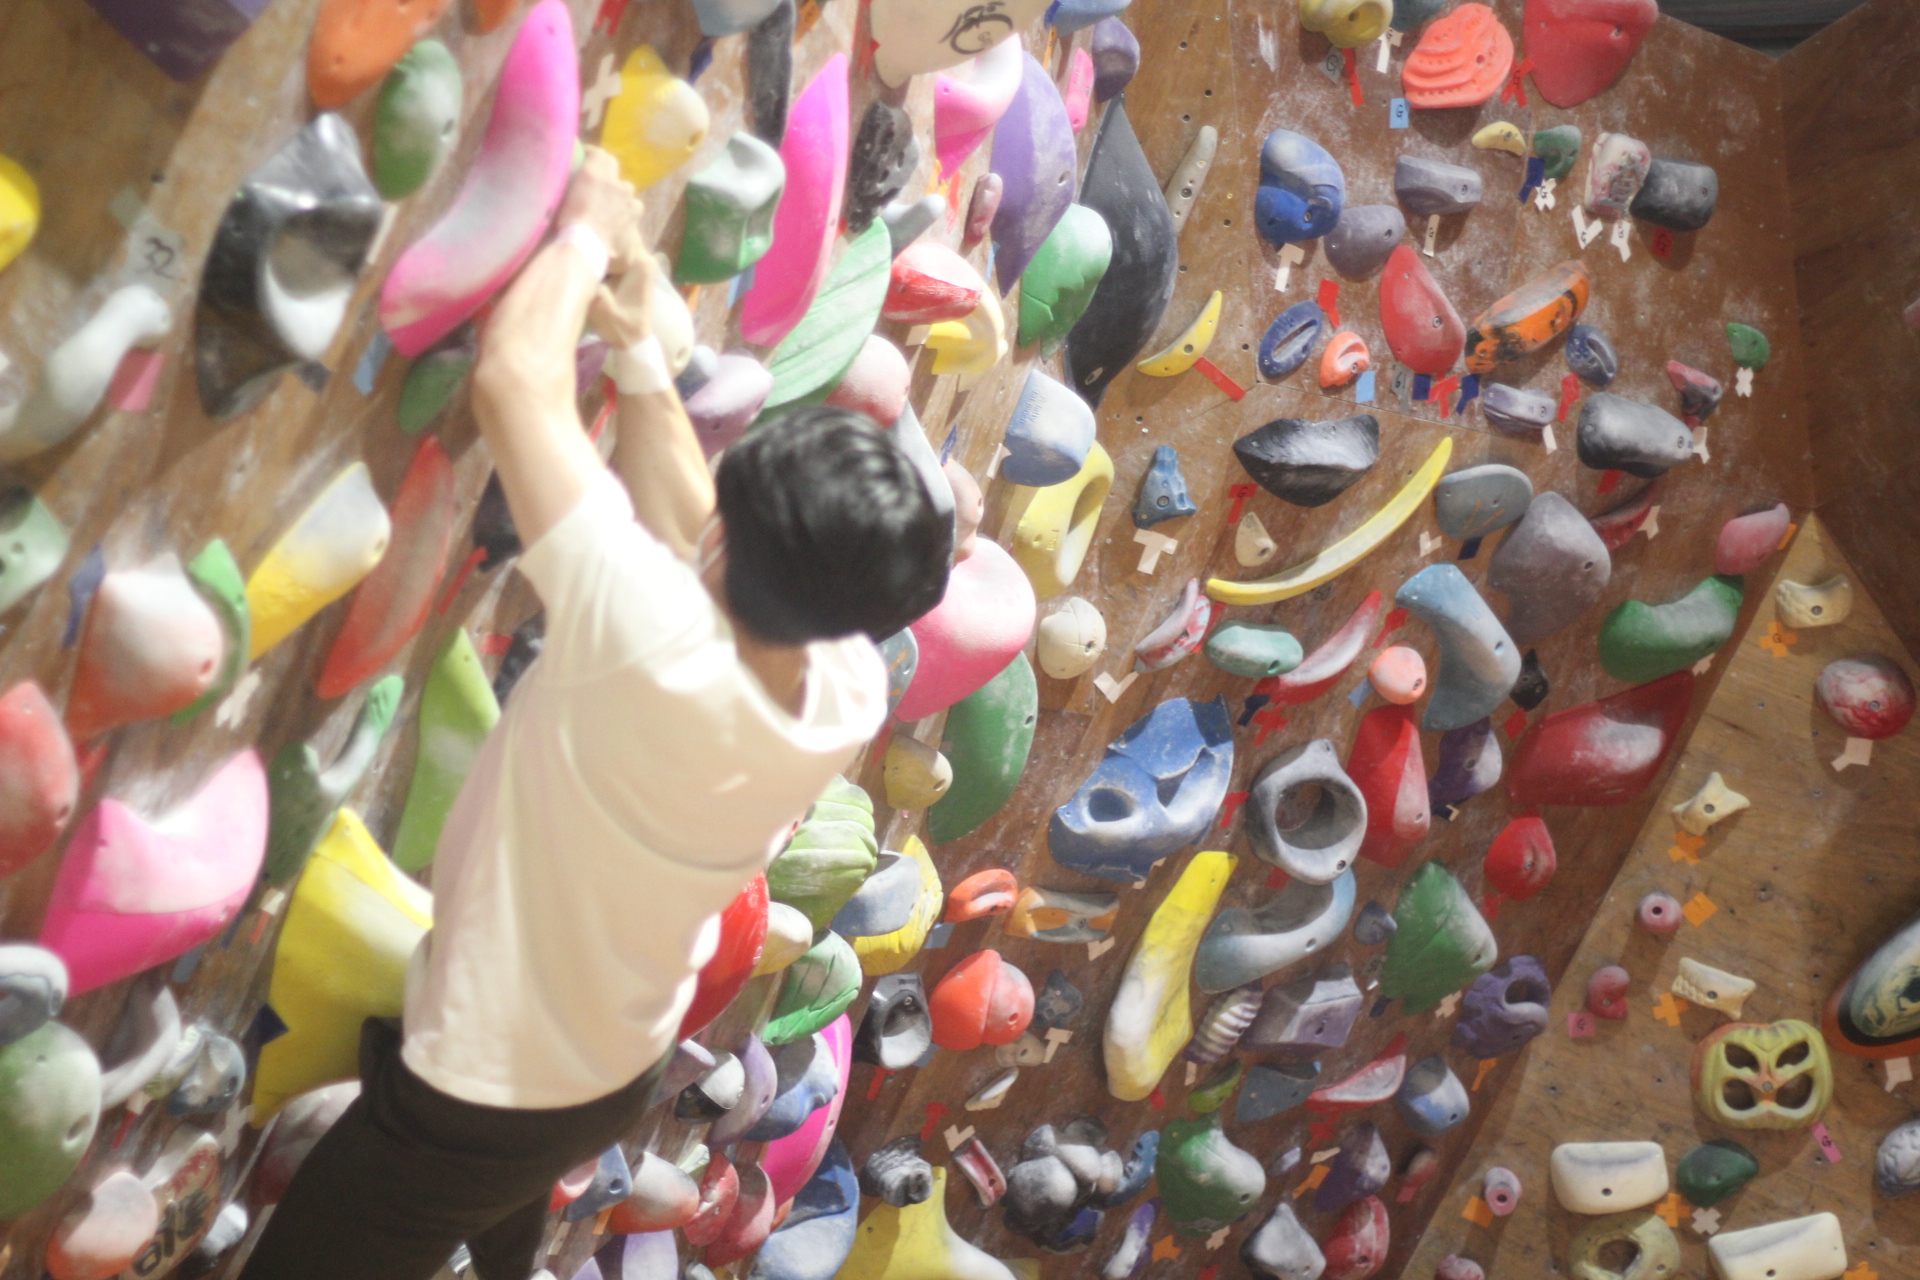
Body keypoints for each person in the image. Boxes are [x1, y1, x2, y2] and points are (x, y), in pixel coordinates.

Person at [240, 149, 951, 1280]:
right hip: (606, 1065)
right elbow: (691, 523)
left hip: (474, 1099)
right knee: (497, 1217)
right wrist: (632, 346)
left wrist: (581, 229)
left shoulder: (642, 627)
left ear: (735, 547)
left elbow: (514, 382)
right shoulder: (841, 684)